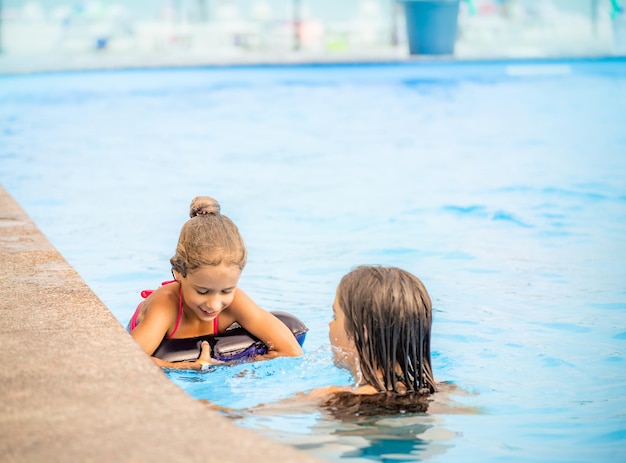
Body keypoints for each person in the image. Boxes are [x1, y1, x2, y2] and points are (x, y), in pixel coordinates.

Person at [129, 196, 303, 370]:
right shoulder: (166, 305)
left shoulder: (236, 302)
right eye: (203, 291)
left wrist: (241, 365)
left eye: (226, 291)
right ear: (179, 274)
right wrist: (187, 367)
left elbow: (292, 351)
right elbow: (127, 360)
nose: (214, 304)